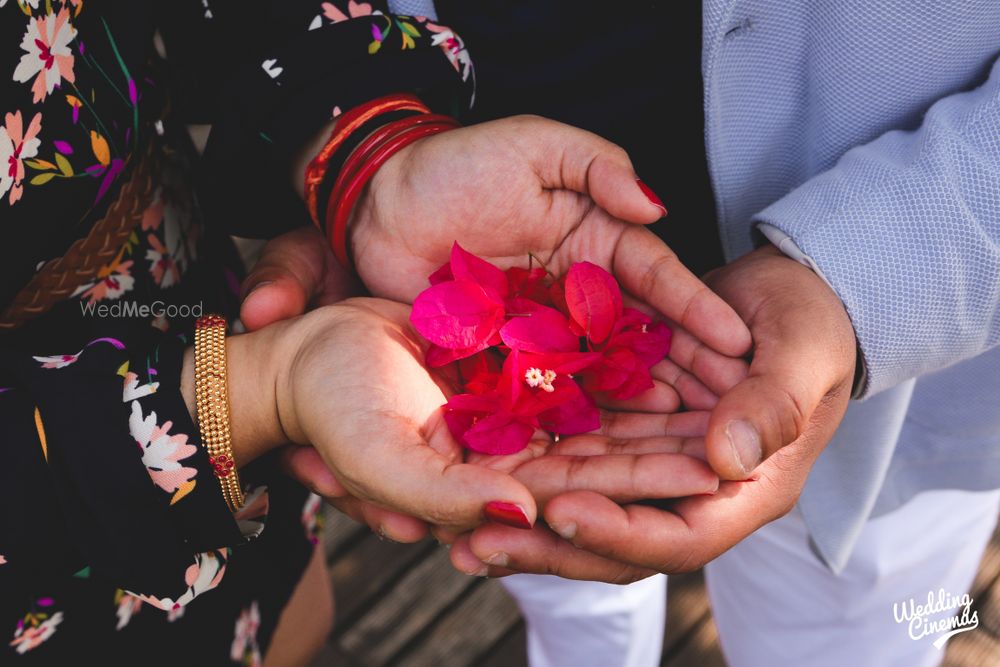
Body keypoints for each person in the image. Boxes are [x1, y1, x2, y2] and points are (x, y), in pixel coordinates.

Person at [257, 1, 1000, 665]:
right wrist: (362, 146)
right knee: (566, 583)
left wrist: (860, 280)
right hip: (480, 214)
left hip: (895, 401)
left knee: (847, 633)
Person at [0, 1, 745, 664]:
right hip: (52, 512)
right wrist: (257, 388)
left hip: (177, 290)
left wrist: (363, 148)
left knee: (285, 613)